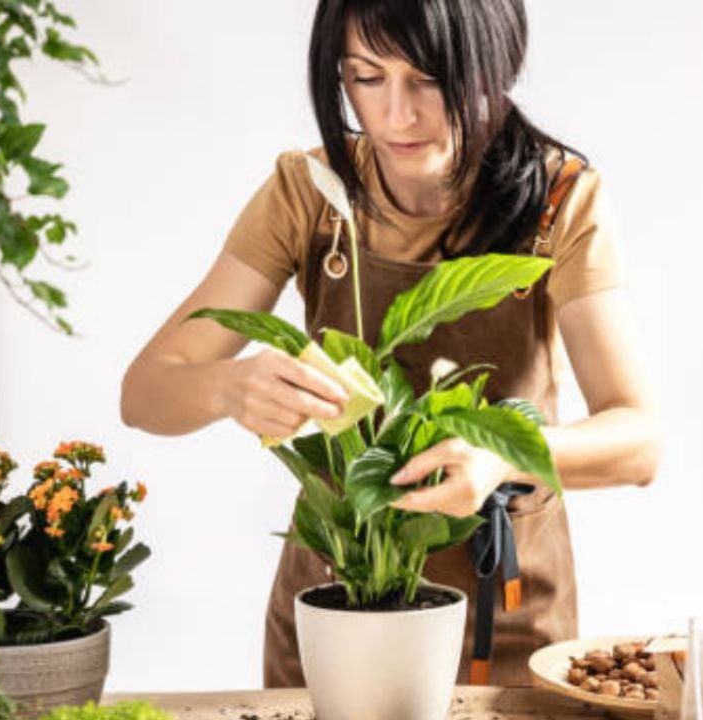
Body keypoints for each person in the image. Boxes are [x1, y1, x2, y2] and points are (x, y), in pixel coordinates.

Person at [121, 0, 661, 688]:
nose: (396, 116)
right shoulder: (309, 192)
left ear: (494, 62)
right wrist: (231, 387)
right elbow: (144, 392)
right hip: (332, 611)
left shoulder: (559, 202)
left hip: (505, 620)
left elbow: (639, 443)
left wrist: (500, 456)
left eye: (428, 79)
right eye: (365, 77)